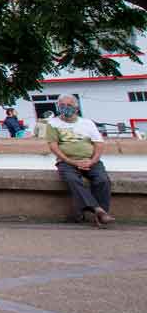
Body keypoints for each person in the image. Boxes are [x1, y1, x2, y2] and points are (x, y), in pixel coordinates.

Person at [41, 94, 114, 227]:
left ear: (76, 108)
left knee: (102, 180)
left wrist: (92, 161)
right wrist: (71, 161)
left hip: (90, 160)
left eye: (69, 105)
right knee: (73, 180)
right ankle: (99, 211)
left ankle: (101, 215)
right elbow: (53, 146)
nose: (65, 108)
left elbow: (99, 144)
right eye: (62, 105)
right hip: (67, 162)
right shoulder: (53, 124)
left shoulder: (87, 123)